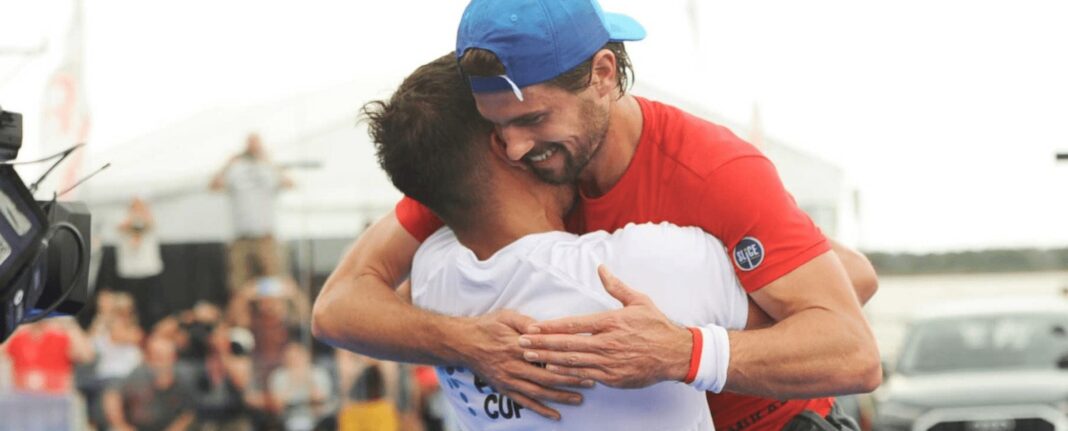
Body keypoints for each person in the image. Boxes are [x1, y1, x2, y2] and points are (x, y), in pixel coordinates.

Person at [313, 1, 880, 429]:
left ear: (604, 75)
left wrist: (684, 351)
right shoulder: (501, 168)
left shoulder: (713, 170)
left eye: (533, 119)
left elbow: (853, 343)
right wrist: (466, 341)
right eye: (497, 124)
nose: (512, 147)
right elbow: (339, 307)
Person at [361, 54, 754, 430]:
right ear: (508, 144)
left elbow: (348, 300)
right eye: (525, 117)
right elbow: (803, 324)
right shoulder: (642, 266)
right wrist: (687, 353)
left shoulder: (431, 273)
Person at [210, 133, 294, 291]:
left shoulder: (268, 169)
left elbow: (290, 183)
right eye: (250, 144)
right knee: (240, 287)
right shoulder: (235, 170)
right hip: (241, 238)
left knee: (273, 285)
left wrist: (269, 162)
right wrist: (227, 164)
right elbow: (213, 186)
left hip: (266, 238)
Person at [103, 335, 197, 431]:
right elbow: (112, 395)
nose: (162, 362)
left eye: (167, 356)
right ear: (148, 358)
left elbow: (189, 413)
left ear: (174, 357)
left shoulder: (183, 378)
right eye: (157, 357)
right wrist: (121, 425)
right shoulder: (138, 374)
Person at [2, 317, 94, 394]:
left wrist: (69, 323)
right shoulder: (19, 337)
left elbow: (86, 356)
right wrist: (14, 325)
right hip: (23, 398)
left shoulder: (60, 336)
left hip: (55, 398)